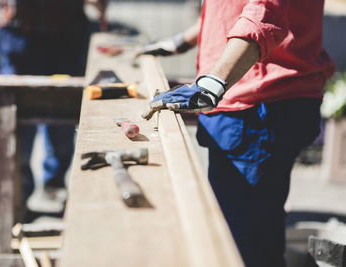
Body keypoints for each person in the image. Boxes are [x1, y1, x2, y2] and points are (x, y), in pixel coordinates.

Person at [140, 1, 334, 266]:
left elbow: (264, 12)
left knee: (241, 246)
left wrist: (213, 82)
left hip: (258, 104)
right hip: (255, 99)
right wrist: (179, 42)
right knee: (245, 229)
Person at [0, 0, 108, 219]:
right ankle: (17, 195)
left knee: (62, 114)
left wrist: (101, 11)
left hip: (65, 35)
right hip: (23, 35)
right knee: (16, 117)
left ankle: (54, 184)